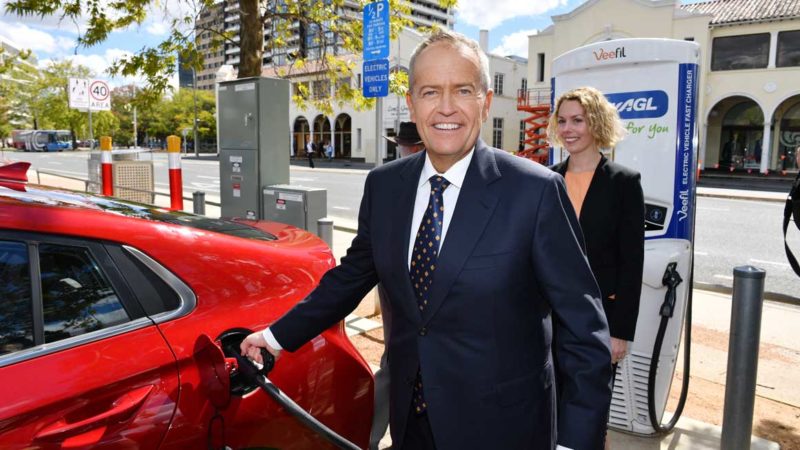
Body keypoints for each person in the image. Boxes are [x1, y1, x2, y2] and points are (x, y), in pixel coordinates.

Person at [241, 29, 611, 450]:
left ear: (485, 102)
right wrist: (273, 338)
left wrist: (574, 443)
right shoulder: (384, 187)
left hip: (504, 428)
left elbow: (584, 331)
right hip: (411, 422)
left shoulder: (536, 192)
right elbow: (349, 279)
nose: (447, 107)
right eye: (431, 91)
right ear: (412, 104)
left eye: (464, 90)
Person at [548, 86, 645, 449]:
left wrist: (620, 331)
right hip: (549, 318)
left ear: (596, 124)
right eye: (562, 121)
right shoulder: (548, 180)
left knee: (589, 413)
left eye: (578, 120)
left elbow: (631, 262)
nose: (568, 129)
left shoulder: (624, 182)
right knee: (551, 406)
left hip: (599, 321)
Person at [370, 121, 425, 450]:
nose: (400, 150)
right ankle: (373, 438)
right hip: (398, 306)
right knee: (393, 367)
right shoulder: (387, 182)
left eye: (404, 145)